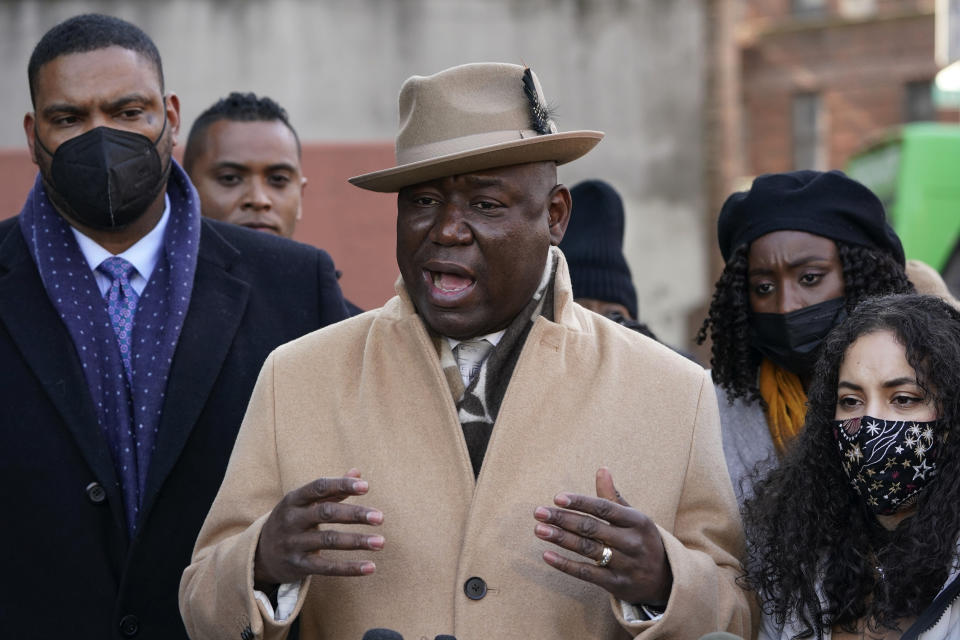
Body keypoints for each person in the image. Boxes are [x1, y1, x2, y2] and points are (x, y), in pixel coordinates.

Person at [180, 62, 751, 639]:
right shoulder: (296, 376)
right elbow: (202, 604)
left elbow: (738, 612)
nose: (448, 229)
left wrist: (663, 583)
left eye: (486, 205)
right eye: (424, 202)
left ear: (554, 216)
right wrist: (261, 563)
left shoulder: (675, 392)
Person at [0, 14, 350, 639]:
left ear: (170, 115)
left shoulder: (296, 286)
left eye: (127, 110)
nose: (100, 137)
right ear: (32, 134)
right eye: (69, 118)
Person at [741, 293, 960, 639]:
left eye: (903, 399)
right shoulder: (805, 559)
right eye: (851, 401)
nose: (870, 422)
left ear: (953, 419)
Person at [696, 170, 914, 503]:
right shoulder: (709, 412)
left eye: (810, 278)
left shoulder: (927, 394)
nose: (786, 305)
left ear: (862, 277)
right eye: (764, 287)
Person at [183, 91, 306, 238]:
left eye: (278, 179)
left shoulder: (321, 261)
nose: (258, 200)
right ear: (185, 193)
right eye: (230, 178)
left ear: (300, 197)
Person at [559, 179, 658, 340]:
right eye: (580, 314)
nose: (599, 327)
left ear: (633, 320)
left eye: (615, 315)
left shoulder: (667, 362)